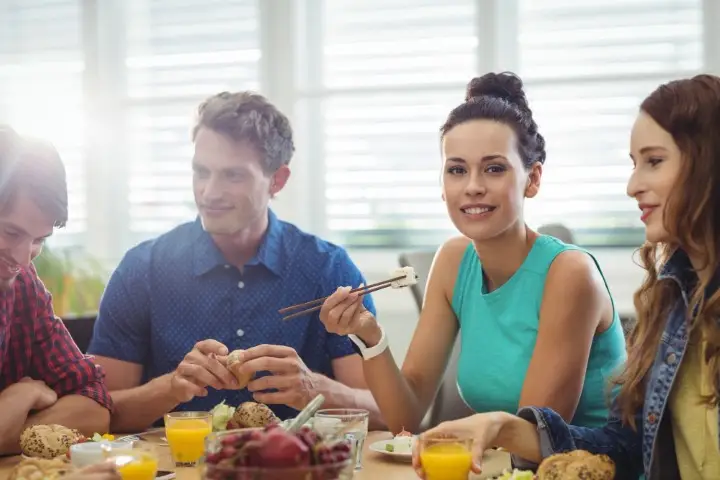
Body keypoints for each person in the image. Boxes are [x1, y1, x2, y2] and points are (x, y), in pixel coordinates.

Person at [414, 74, 720, 480]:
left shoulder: (571, 272)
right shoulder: (672, 300)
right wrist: (503, 427)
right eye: (634, 164)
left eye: (654, 161)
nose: (632, 186)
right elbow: (626, 448)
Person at [318, 72, 628, 435]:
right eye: (457, 170)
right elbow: (406, 415)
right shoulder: (453, 262)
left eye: (494, 169)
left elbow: (536, 436)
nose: (473, 187)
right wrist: (369, 335)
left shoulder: (571, 274)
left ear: (533, 178)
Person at [88, 92, 380, 432]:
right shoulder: (142, 269)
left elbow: (387, 415)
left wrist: (316, 388)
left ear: (277, 180)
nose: (210, 192)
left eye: (233, 176)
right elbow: (98, 413)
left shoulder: (329, 269)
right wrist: (170, 388)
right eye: (201, 172)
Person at [0, 126, 112, 454]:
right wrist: (21, 396)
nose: (23, 258)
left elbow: (95, 407)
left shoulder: (24, 287)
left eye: (38, 240)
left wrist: (9, 424)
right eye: (10, 232)